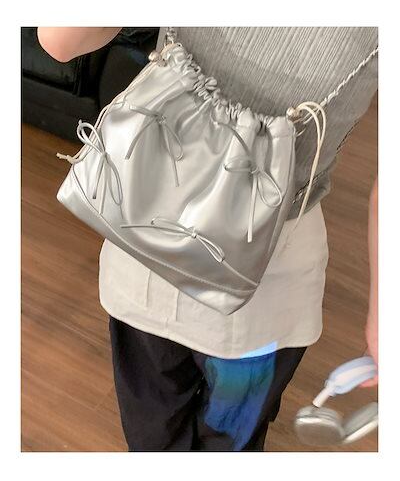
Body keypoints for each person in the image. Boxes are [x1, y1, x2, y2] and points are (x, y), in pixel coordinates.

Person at [38, 26, 378, 451]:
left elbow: (60, 41)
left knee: (154, 432)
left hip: (146, 236)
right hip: (268, 284)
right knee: (230, 439)